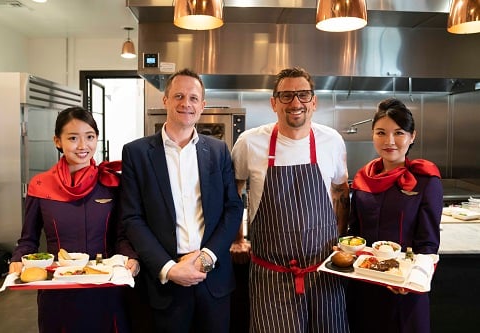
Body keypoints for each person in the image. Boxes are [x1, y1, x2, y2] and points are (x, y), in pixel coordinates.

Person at [120, 68, 244, 333]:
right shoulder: (137, 153)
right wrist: (168, 268)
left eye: (193, 98)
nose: (186, 103)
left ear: (202, 105)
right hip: (165, 282)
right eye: (178, 95)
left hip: (213, 278)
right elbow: (131, 218)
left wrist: (206, 258)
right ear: (165, 100)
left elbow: (233, 207)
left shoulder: (219, 150)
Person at [231, 67, 350, 332]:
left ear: (314, 101)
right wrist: (237, 238)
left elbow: (341, 191)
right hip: (271, 275)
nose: (296, 103)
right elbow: (233, 191)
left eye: (303, 95)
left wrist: (340, 241)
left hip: (324, 273)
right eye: (286, 96)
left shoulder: (332, 140)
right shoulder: (250, 142)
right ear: (274, 103)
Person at [9, 106, 140, 333]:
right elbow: (28, 239)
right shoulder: (40, 186)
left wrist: (131, 257)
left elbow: (121, 236)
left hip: (107, 287)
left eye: (90, 137)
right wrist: (18, 258)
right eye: (72, 138)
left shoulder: (111, 183)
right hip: (59, 291)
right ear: (57, 141)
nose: (82, 146)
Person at [346, 98, 442, 333]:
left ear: (412, 136)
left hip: (403, 288)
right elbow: (355, 233)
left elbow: (428, 243)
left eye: (399, 133)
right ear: (373, 135)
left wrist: (412, 280)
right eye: (381, 133)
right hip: (364, 286)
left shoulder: (426, 180)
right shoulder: (362, 179)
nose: (389, 141)